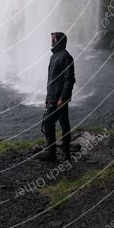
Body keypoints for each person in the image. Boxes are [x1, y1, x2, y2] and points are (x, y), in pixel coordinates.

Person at [37, 31, 75, 162]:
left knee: (48, 123)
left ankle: (51, 153)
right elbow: (52, 80)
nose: (52, 41)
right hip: (54, 97)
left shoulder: (66, 57)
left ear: (60, 41)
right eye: (52, 38)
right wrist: (48, 98)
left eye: (54, 39)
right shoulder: (54, 56)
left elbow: (69, 79)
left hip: (59, 98)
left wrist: (63, 98)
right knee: (64, 124)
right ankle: (66, 152)